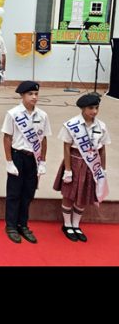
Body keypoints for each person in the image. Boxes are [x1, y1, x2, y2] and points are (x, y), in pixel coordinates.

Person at [54, 94, 111, 242]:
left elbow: (102, 150)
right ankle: (67, 225)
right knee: (69, 195)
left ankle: (76, 224)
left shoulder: (101, 126)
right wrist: (67, 170)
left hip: (91, 166)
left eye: (96, 108)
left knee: (83, 196)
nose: (94, 111)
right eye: (91, 108)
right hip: (74, 162)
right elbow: (66, 147)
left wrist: (102, 171)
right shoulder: (72, 124)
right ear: (83, 109)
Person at [1, 81, 51, 244]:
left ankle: (23, 225)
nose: (34, 97)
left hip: (33, 158)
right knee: (14, 193)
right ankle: (11, 226)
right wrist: (9, 161)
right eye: (30, 94)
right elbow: (7, 137)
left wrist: (42, 161)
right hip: (18, 156)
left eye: (36, 94)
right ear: (22, 95)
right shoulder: (13, 114)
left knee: (28, 194)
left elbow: (43, 140)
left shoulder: (42, 115)